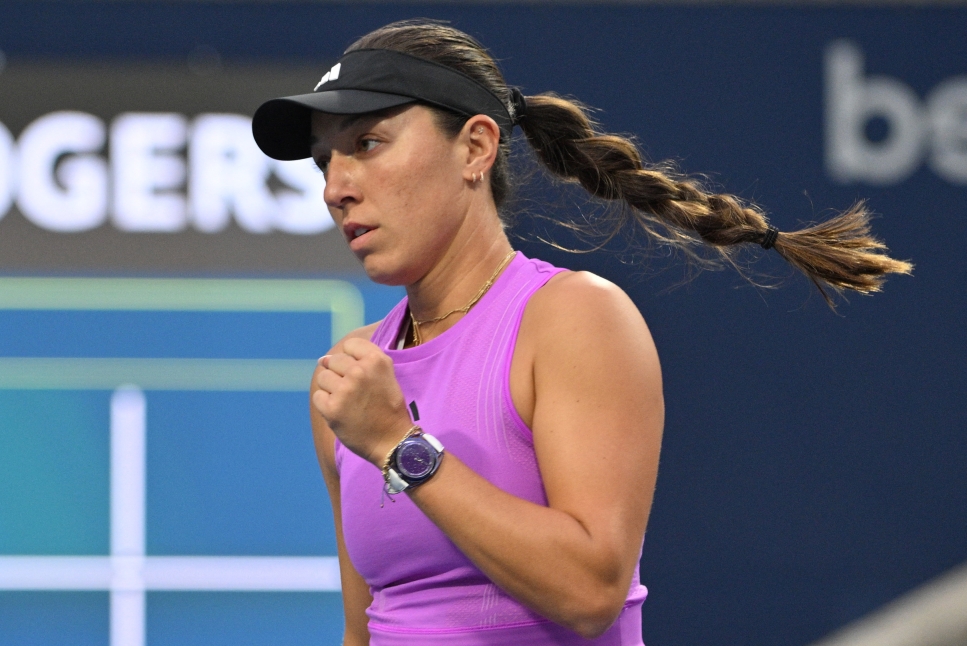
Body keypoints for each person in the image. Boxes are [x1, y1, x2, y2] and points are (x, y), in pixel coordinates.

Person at [252, 19, 911, 645]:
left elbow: (590, 590)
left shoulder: (574, 319)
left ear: (476, 147)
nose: (336, 186)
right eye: (323, 161)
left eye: (367, 143)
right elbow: (362, 631)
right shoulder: (350, 375)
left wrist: (401, 446)